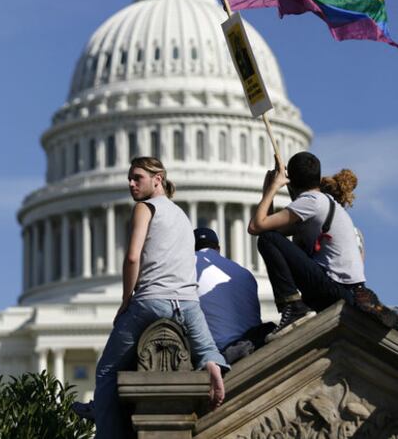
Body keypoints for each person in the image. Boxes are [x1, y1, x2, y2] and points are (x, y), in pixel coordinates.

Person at [79, 157, 228, 437]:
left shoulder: (145, 208)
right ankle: (212, 367)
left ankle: (108, 432)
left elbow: (133, 256)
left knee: (106, 372)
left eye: (138, 178)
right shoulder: (182, 216)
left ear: (157, 178)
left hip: (152, 300)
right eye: (130, 178)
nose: (131, 184)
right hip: (188, 304)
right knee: (208, 352)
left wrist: (126, 299)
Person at [248, 151, 396, 341]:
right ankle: (376, 308)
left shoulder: (310, 202)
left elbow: (256, 227)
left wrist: (271, 188)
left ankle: (293, 307)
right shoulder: (326, 203)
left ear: (290, 181)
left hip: (333, 288)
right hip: (351, 289)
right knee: (271, 237)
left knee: (266, 239)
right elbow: (269, 228)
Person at [194, 228, 275, 363]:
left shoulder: (188, 268)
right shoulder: (245, 273)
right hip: (254, 342)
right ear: (218, 248)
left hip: (224, 352)